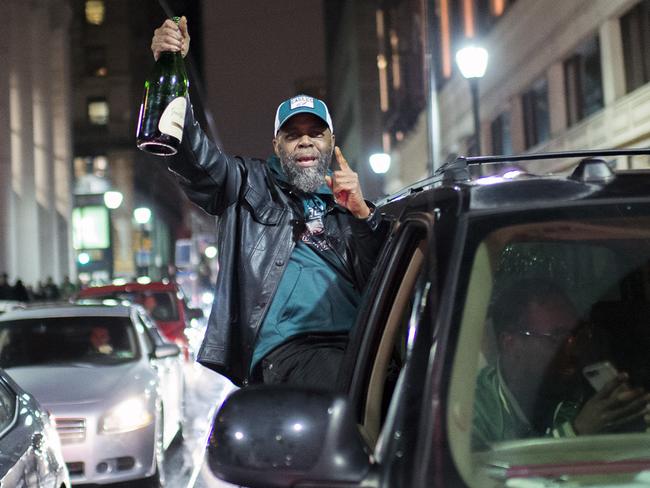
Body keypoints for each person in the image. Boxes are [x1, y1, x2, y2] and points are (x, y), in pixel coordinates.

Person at [150, 17, 390, 389]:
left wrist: (363, 214)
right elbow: (190, 154)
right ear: (277, 145)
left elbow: (384, 280)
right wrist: (172, 69)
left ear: (330, 142)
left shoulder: (350, 205)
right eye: (293, 135)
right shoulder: (246, 184)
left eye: (315, 133)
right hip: (291, 353)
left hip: (360, 347)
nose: (305, 142)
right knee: (356, 386)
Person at [472, 279, 650, 450]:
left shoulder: (581, 391)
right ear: (510, 343)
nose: (575, 350)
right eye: (558, 338)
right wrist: (576, 432)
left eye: (577, 336)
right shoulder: (475, 411)